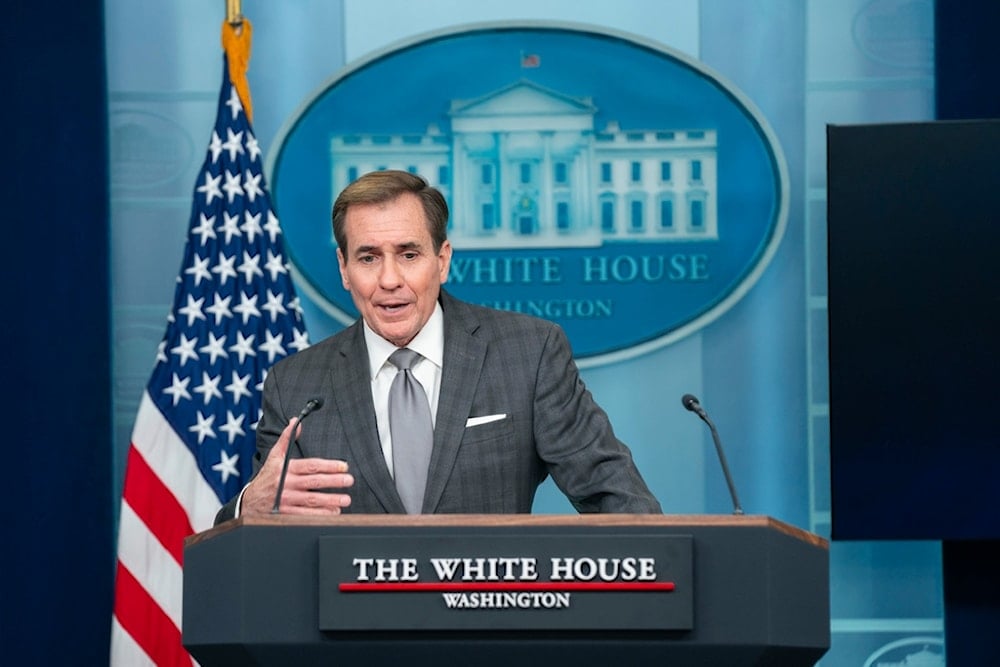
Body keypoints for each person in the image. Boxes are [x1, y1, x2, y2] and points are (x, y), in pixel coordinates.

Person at [215, 170, 660, 522]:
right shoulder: (294, 385)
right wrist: (246, 509)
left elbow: (614, 495)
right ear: (344, 267)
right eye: (368, 257)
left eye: (409, 255)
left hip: (492, 624)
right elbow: (261, 524)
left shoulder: (528, 353)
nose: (389, 280)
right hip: (352, 629)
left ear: (442, 260)